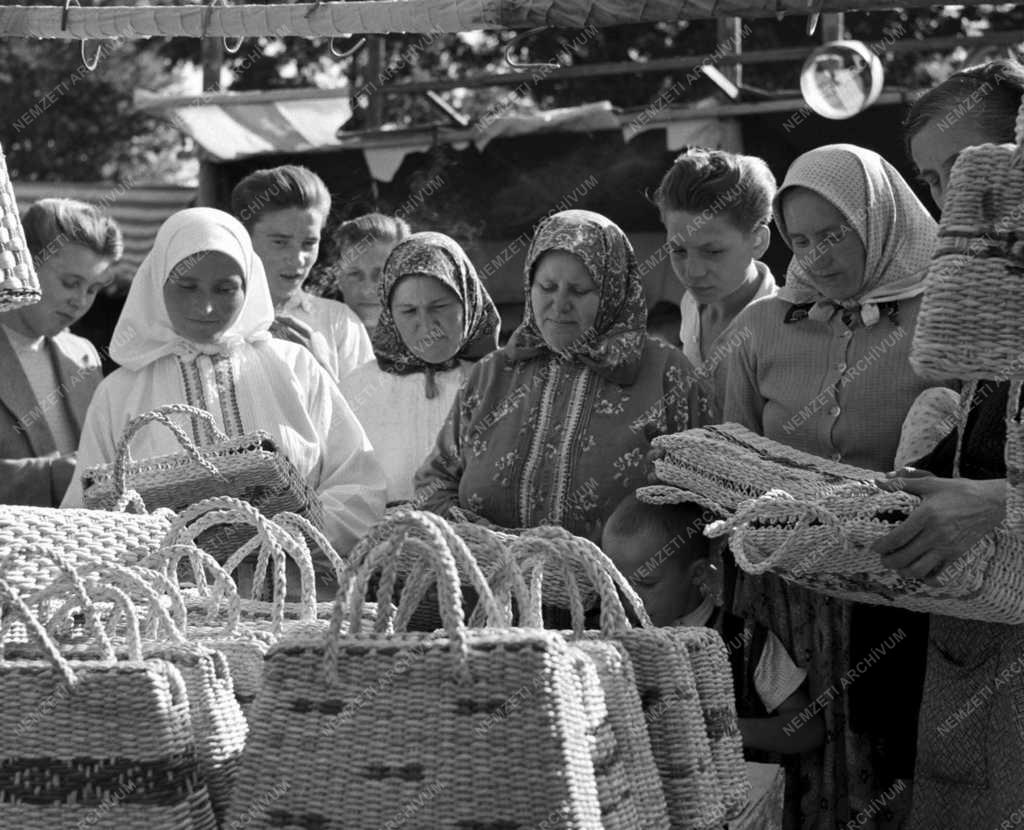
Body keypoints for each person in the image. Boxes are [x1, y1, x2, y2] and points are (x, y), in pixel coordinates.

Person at [722, 144, 940, 828]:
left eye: (835, 234)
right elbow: (727, 463)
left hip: (907, 590)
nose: (815, 258)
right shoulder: (759, 327)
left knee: (896, 777)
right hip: (787, 602)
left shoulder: (942, 320)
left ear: (880, 220)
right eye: (802, 240)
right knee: (793, 782)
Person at [871, 58, 1024, 829]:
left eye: (965, 169)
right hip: (977, 681)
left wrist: (996, 504)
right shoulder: (989, 299)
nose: (949, 199)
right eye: (932, 180)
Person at [61, 208, 387, 560]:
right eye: (187, 287)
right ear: (158, 283)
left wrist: (294, 541)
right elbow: (85, 512)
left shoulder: (296, 368)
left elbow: (358, 484)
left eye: (225, 289)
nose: (206, 306)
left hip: (296, 598)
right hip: (163, 602)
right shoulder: (121, 391)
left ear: (249, 285)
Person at [414, 209, 714, 542]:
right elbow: (435, 482)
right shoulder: (491, 375)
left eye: (579, 290)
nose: (559, 304)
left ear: (614, 291)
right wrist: (488, 542)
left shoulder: (667, 376)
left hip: (617, 591)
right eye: (547, 287)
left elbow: (705, 504)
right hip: (491, 585)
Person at [602, 493, 824, 825]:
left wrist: (726, 729)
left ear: (698, 575)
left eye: (646, 583)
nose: (627, 598)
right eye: (614, 583)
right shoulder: (610, 644)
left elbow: (808, 730)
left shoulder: (747, 641)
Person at [338, 232, 500, 504]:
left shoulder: (500, 382)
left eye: (439, 306)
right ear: (390, 314)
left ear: (469, 301)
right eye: (409, 311)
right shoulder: (357, 389)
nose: (426, 324)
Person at [0, 198, 122, 506]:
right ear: (23, 265)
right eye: (70, 283)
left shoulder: (84, 355)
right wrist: (53, 476)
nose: (80, 301)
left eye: (94, 289)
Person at [230, 165, 372, 381]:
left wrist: (320, 373)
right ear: (244, 239)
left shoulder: (339, 323)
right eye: (280, 242)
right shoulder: (217, 321)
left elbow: (368, 413)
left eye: (308, 243)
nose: (297, 259)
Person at [653, 148, 778, 389]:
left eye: (713, 252)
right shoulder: (691, 304)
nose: (693, 272)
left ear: (758, 241)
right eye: (678, 251)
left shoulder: (784, 328)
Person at [319, 212, 410, 334]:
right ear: (339, 279)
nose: (367, 289)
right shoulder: (309, 344)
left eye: (381, 275)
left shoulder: (434, 345)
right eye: (355, 274)